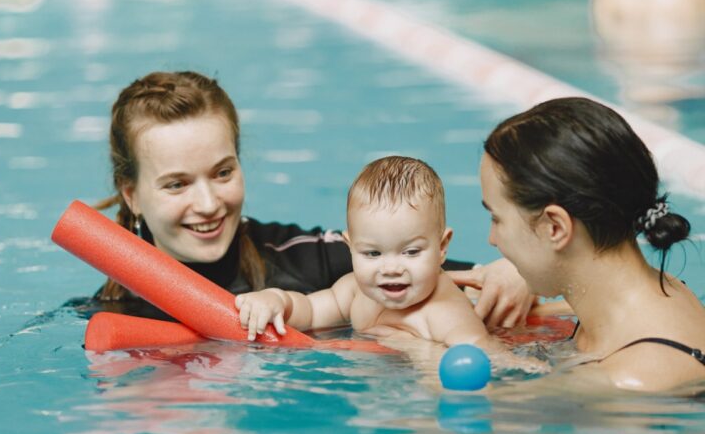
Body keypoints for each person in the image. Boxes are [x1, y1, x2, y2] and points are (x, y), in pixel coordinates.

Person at [91, 70, 535, 326]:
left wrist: (514, 273)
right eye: (177, 184)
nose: (208, 203)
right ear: (131, 195)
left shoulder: (309, 260)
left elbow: (446, 270)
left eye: (223, 172)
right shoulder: (116, 309)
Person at [234, 155, 547, 377]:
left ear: (442, 248)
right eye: (372, 254)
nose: (391, 268)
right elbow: (310, 311)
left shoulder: (444, 311)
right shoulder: (356, 291)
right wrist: (275, 299)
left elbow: (483, 354)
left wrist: (521, 368)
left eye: (410, 252)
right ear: (350, 247)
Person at [479, 96, 705, 391]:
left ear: (555, 227)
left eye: (497, 218)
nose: (491, 238)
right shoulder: (664, 291)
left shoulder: (626, 381)